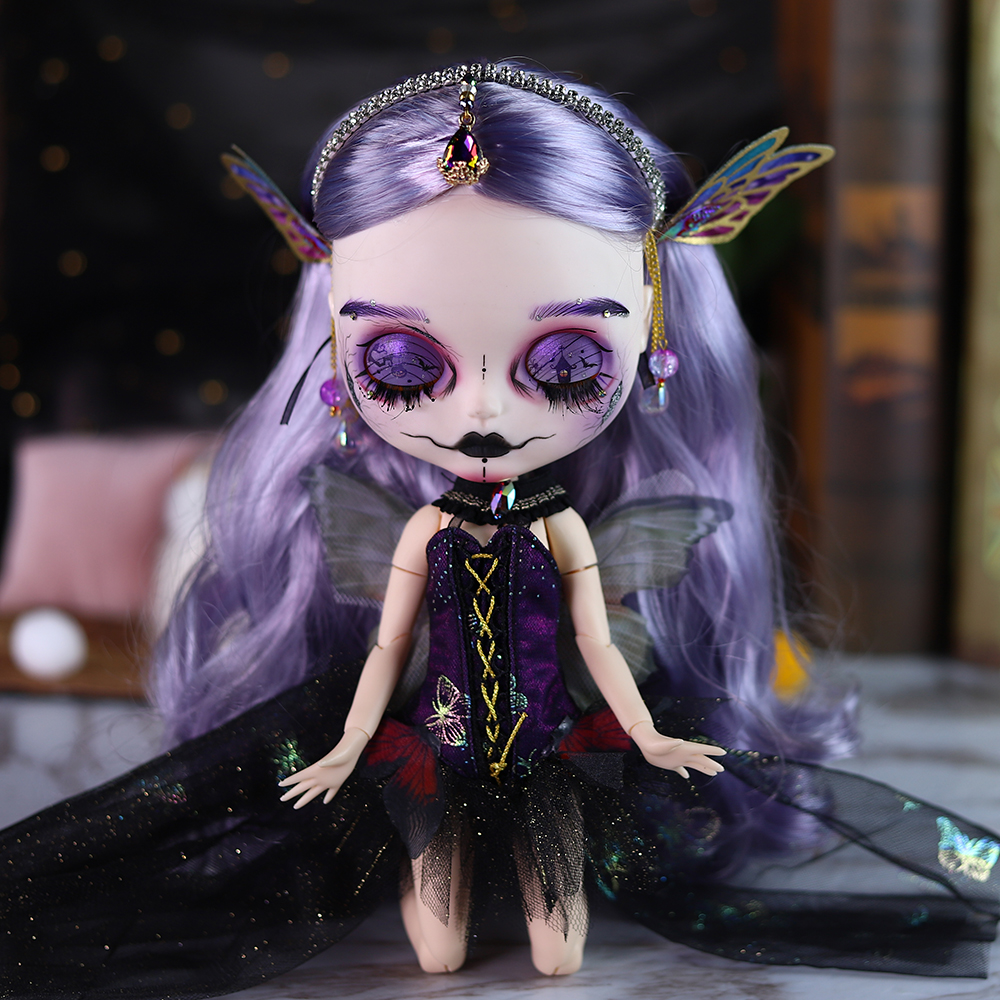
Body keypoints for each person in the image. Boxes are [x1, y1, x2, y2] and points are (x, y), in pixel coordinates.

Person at [1, 60, 997, 998]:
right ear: (335, 348)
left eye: (565, 365)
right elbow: (387, 645)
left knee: (559, 954)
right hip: (430, 755)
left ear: (655, 334)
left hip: (550, 757)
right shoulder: (423, 528)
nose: (481, 412)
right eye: (401, 365)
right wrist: (347, 747)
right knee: (437, 952)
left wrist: (649, 733)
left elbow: (596, 640)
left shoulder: (564, 528)